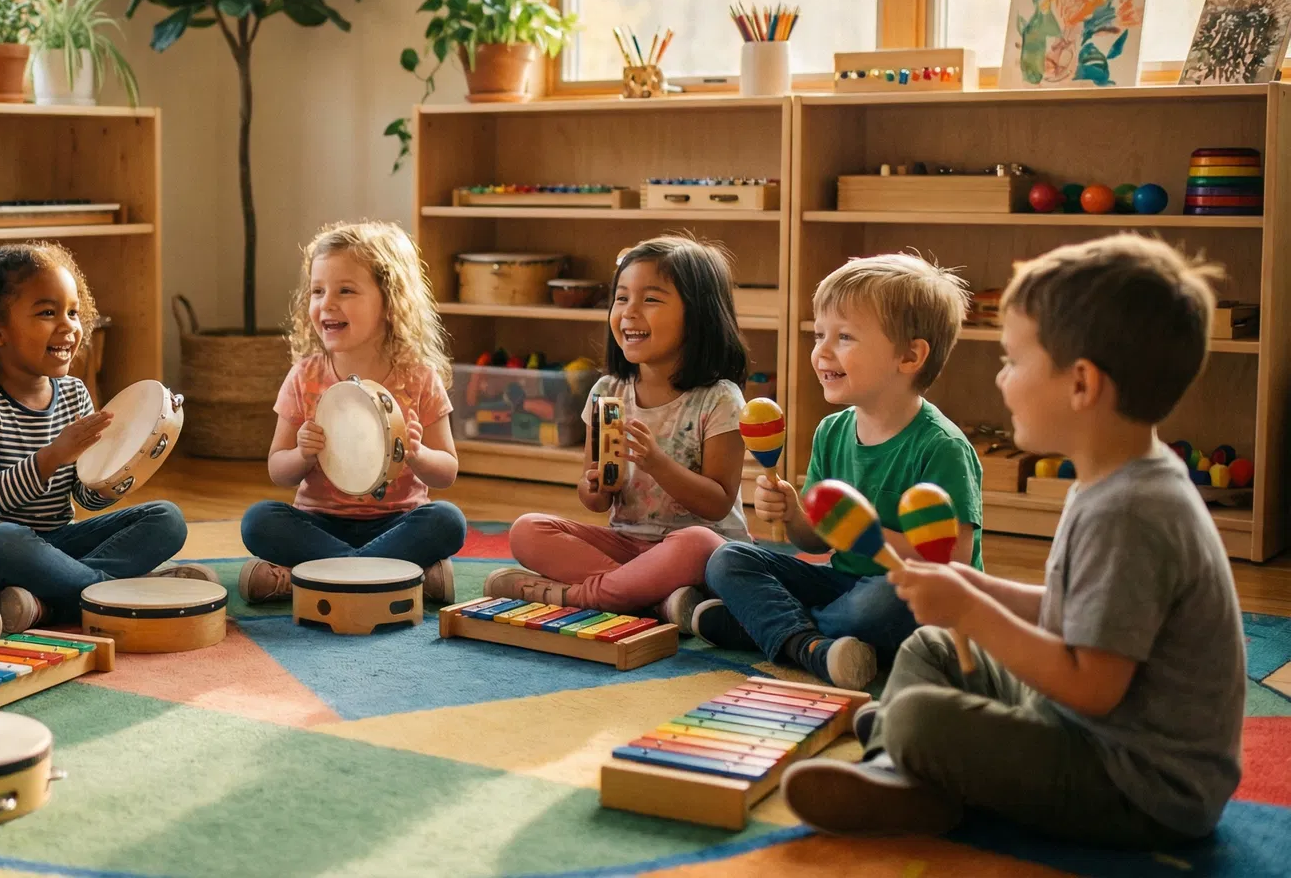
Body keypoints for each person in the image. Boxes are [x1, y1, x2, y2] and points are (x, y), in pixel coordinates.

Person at [783, 234, 1245, 848]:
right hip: (1080, 726)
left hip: (1139, 783)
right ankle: (901, 766)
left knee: (925, 715)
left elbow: (1092, 687)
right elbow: (1067, 613)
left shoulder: (1132, 512)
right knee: (933, 644)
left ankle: (905, 749)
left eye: (1013, 360)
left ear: (1081, 385)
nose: (1001, 381)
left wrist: (973, 610)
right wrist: (973, 587)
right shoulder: (1113, 477)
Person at [696, 254, 982, 689]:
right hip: (844, 584)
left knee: (879, 604)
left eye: (845, 336)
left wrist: (865, 534)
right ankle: (814, 647)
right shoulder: (832, 431)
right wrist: (794, 514)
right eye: (819, 334)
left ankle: (768, 629)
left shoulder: (941, 447)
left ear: (909, 355)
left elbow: (954, 563)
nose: (822, 351)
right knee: (728, 558)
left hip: (918, 596)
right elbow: (812, 540)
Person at [0, 242, 208, 633]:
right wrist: (53, 455)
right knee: (4, 539)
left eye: (73, 312)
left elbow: (84, 495)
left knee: (166, 519)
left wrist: (127, 461)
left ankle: (48, 604)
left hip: (52, 547)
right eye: (47, 313)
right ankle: (118, 594)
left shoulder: (73, 393)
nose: (68, 326)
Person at [484, 236, 751, 627]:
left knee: (699, 545)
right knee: (527, 530)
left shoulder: (720, 399)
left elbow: (718, 504)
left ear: (699, 316)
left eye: (651, 299)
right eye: (622, 298)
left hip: (699, 549)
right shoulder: (607, 393)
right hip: (627, 545)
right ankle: (651, 598)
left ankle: (578, 596)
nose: (629, 312)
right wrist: (595, 487)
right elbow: (594, 501)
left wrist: (657, 463)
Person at [238, 221, 466, 604]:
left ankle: (309, 578)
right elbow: (278, 469)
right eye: (317, 291)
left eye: (345, 290)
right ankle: (395, 576)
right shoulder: (304, 376)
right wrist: (302, 454)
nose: (326, 303)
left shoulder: (419, 377)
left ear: (390, 302)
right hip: (318, 523)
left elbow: (447, 471)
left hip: (399, 521)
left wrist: (418, 454)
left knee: (447, 521)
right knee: (259, 521)